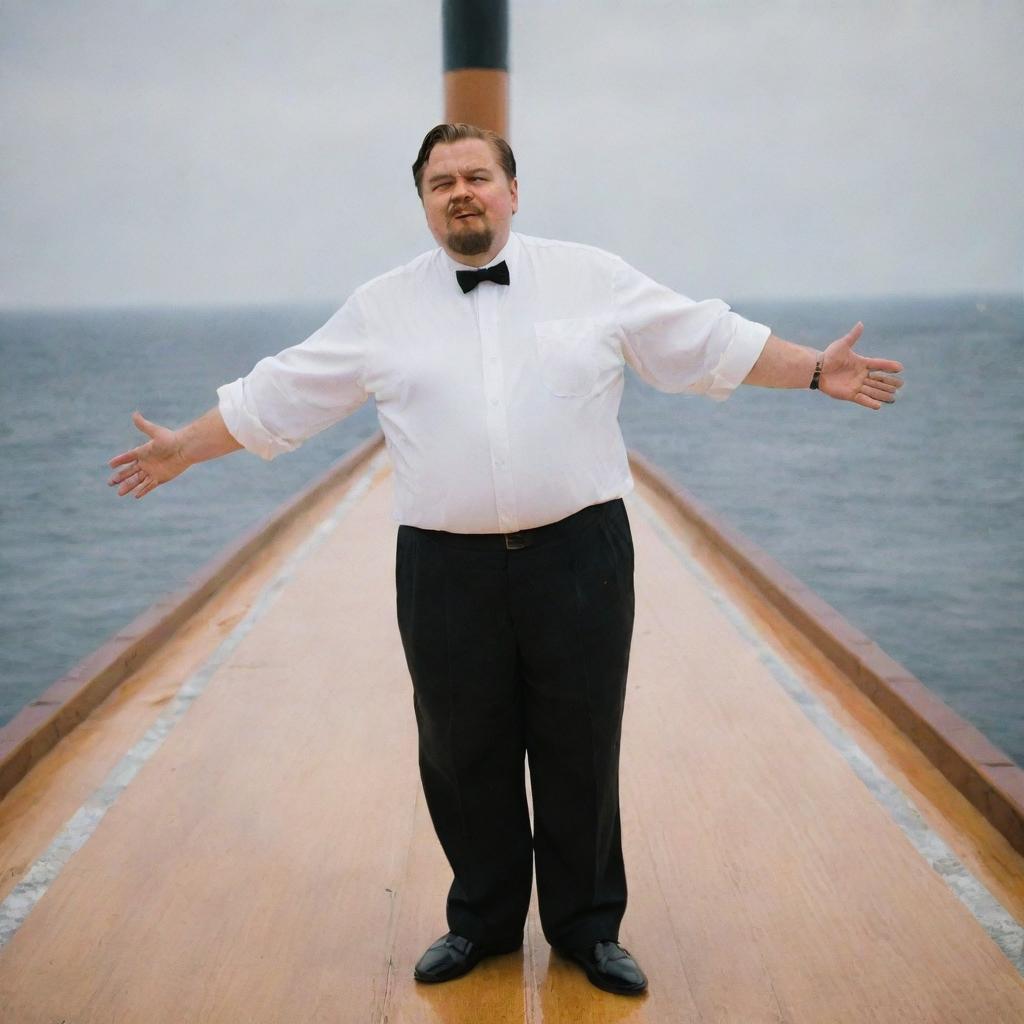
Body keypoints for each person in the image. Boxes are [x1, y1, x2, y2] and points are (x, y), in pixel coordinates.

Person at [108, 122, 904, 996]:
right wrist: (182, 446)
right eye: (441, 181)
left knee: (581, 744)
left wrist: (814, 371)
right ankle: (483, 923)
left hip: (580, 555)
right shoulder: (382, 306)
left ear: (512, 191)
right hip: (445, 569)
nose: (461, 191)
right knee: (460, 749)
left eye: (477, 176)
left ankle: (587, 929)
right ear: (423, 203)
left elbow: (705, 341)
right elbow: (282, 394)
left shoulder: (592, 278)